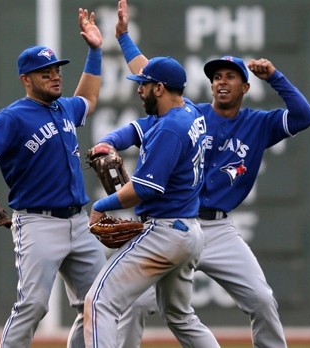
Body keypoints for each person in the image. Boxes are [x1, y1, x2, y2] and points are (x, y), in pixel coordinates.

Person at [99, 1, 310, 347]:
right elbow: (154, 79)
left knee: (261, 299)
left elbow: (305, 117)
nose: (221, 82)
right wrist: (124, 40)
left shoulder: (259, 124)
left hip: (217, 229)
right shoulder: (193, 115)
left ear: (245, 87)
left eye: (230, 76)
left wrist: (275, 77)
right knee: (136, 305)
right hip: (172, 223)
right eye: (216, 77)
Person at [0, 8, 107, 348]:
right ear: (26, 79)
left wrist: (96, 52)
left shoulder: (64, 108)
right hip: (39, 223)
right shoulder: (12, 117)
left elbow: (88, 98)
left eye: (56, 70)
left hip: (79, 222)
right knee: (33, 305)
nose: (55, 76)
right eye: (45, 72)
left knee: (102, 303)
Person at [82, 55, 220, 348]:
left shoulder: (170, 130)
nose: (138, 89)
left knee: (98, 302)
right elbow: (138, 128)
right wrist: (110, 141)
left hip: (165, 232)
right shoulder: (191, 111)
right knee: (181, 317)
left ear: (159, 88)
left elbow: (145, 189)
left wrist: (100, 206)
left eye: (143, 85)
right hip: (189, 232)